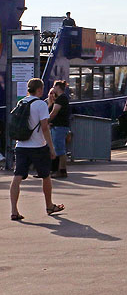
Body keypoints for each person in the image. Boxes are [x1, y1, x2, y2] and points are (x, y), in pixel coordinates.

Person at [10, 78, 64, 220]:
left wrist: (49, 104)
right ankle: (49, 206)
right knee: (45, 176)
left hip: (21, 145)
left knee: (17, 177)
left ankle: (14, 211)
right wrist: (51, 148)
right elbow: (44, 127)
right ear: (39, 89)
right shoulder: (40, 104)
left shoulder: (22, 102)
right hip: (38, 147)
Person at [47, 80, 71, 178]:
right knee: (58, 148)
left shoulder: (61, 99)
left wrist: (45, 121)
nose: (53, 88)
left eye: (54, 86)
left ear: (58, 87)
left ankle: (62, 170)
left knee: (60, 150)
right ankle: (58, 170)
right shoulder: (61, 98)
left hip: (60, 127)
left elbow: (54, 113)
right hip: (58, 127)